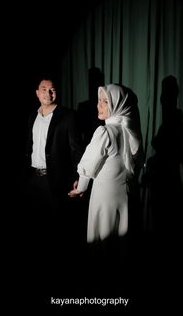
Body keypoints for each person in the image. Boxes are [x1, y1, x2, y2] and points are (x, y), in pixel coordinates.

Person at [68, 83, 143, 294]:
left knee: (102, 245)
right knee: (121, 246)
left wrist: (80, 187)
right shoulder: (131, 131)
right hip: (125, 198)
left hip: (104, 199)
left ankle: (101, 289)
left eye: (105, 101)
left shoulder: (105, 131)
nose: (99, 105)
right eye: (99, 100)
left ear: (118, 105)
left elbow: (89, 165)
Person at [18, 75, 84, 301]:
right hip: (32, 181)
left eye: (52, 89)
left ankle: (59, 281)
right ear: (37, 93)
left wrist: (77, 176)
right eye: (44, 89)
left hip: (53, 182)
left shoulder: (67, 116)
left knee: (57, 231)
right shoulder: (31, 116)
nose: (48, 93)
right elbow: (29, 147)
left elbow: (77, 150)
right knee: (33, 230)